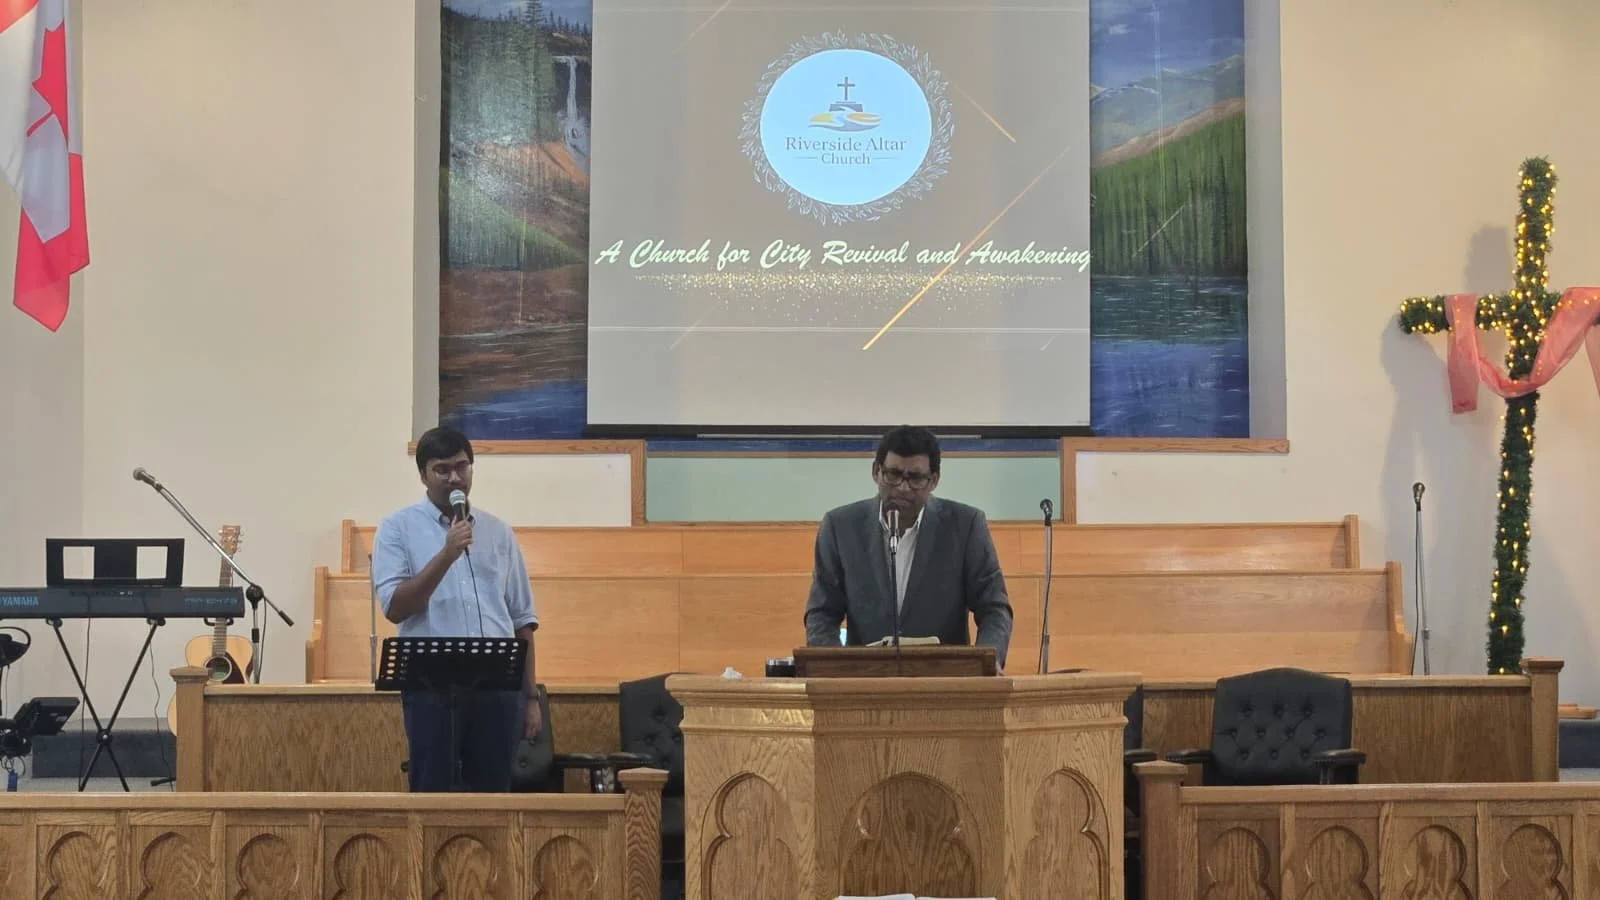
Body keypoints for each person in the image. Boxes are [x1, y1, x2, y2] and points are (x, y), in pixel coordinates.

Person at [372, 425, 542, 792]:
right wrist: (447, 554)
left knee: (493, 794)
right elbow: (395, 607)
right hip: (430, 684)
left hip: (497, 684)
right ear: (423, 475)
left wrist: (531, 697)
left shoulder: (498, 532)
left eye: (462, 467)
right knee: (432, 791)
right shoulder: (397, 528)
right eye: (442, 469)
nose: (455, 478)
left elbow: (522, 620)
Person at [803, 425, 1013, 668]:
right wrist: (834, 669)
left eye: (916, 478)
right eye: (893, 474)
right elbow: (822, 614)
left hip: (946, 680)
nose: (903, 487)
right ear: (876, 471)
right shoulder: (840, 527)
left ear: (933, 480)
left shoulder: (965, 526)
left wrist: (986, 664)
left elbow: (994, 608)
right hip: (865, 680)